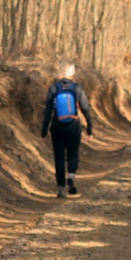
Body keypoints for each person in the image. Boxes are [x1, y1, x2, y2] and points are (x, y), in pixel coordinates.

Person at [40, 63, 95, 198]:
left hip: (57, 126)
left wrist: (44, 131)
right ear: (73, 74)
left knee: (59, 158)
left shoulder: (53, 88)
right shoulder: (77, 89)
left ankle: (60, 188)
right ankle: (71, 175)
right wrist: (90, 128)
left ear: (60, 73)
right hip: (73, 126)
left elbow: (48, 111)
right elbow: (86, 109)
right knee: (73, 154)